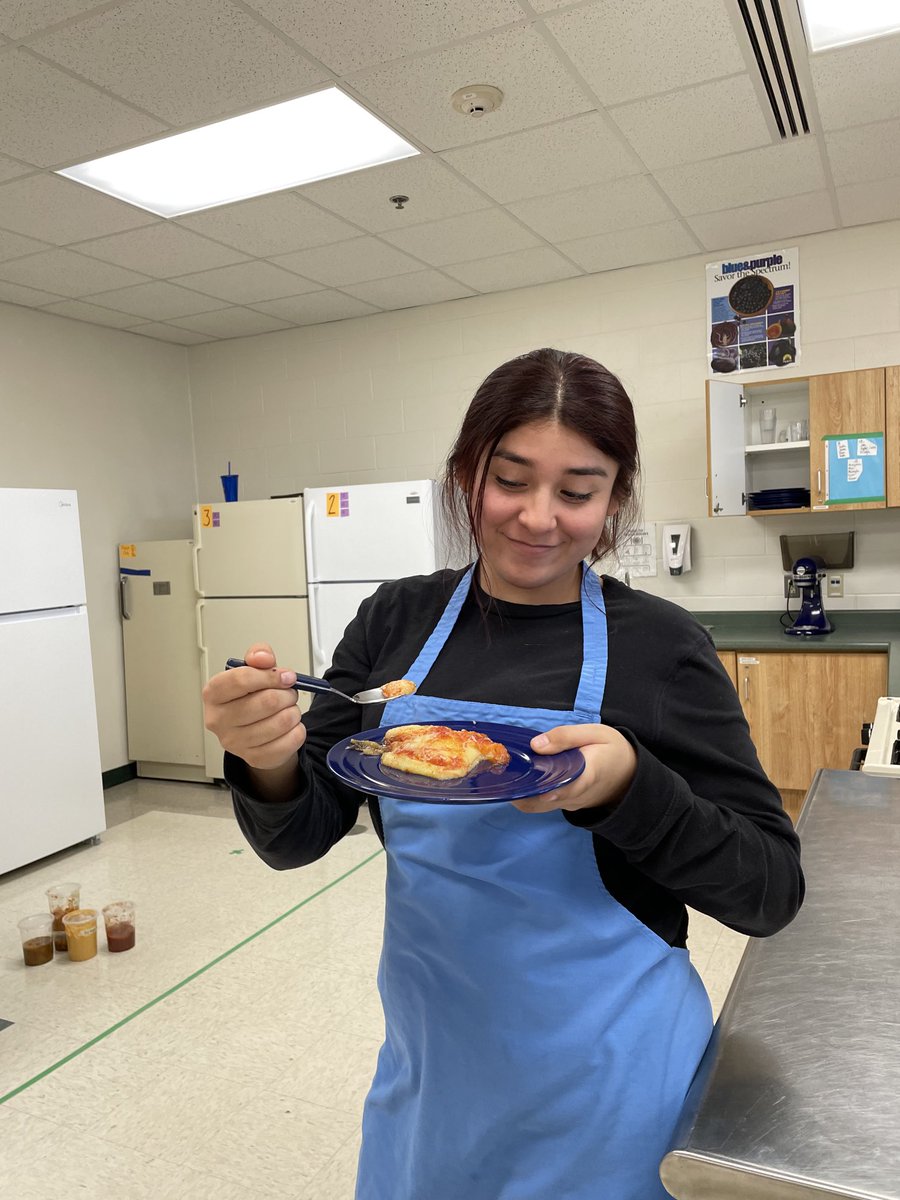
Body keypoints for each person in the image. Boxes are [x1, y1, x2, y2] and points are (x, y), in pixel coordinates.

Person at [203, 347, 804, 1200]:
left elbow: (768, 891)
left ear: (615, 500)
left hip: (609, 1078)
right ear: (465, 474)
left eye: (576, 490)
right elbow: (299, 835)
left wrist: (633, 787)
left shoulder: (661, 647)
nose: (537, 517)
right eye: (510, 480)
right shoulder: (397, 618)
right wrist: (265, 760)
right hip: (435, 1065)